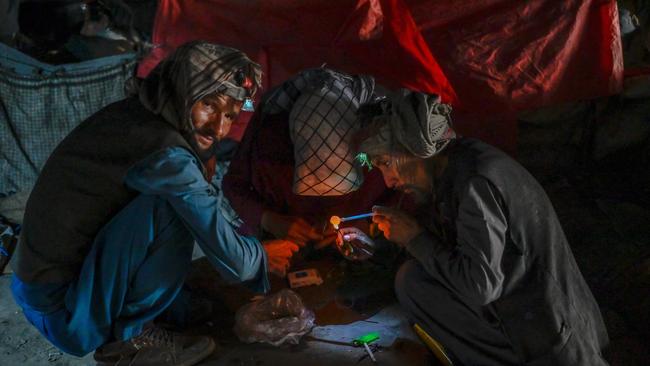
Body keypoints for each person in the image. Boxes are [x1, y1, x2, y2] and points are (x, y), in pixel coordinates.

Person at [10, 41, 298, 366]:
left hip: (41, 287)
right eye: (208, 104)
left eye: (230, 115)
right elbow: (236, 262)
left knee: (183, 200)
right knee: (171, 208)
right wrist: (262, 255)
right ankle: (130, 338)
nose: (218, 129)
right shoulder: (166, 153)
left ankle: (160, 306)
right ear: (182, 92)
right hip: (60, 308)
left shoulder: (141, 114)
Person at [347, 89, 609, 365]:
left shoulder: (476, 185)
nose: (388, 181)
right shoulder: (454, 164)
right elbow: (448, 244)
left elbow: (480, 287)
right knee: (413, 280)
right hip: (520, 311)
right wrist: (380, 244)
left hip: (551, 339)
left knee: (414, 283)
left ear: (418, 148)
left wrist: (414, 237)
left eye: (387, 163)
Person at [223, 68, 401, 249]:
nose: (327, 196)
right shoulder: (269, 133)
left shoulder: (384, 134)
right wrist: (268, 219)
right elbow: (234, 183)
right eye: (315, 177)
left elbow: (409, 194)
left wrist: (368, 225)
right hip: (283, 242)